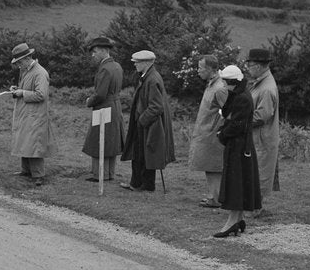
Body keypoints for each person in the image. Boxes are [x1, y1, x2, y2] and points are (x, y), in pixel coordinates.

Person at [213, 65, 262, 238]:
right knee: (238, 181)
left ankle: (232, 222)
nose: (224, 86)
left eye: (226, 82)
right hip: (239, 144)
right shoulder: (238, 95)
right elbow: (227, 113)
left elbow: (237, 125)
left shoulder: (243, 98)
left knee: (235, 183)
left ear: (233, 82)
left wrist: (222, 134)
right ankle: (238, 219)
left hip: (239, 146)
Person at [120, 50, 175, 192]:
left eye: (137, 62)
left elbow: (156, 107)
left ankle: (145, 185)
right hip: (146, 122)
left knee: (145, 154)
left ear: (147, 63)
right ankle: (137, 183)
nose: (135, 65)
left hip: (149, 124)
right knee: (139, 153)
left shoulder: (152, 79)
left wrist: (142, 120)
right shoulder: (147, 77)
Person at [6, 42, 54, 186]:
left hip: (35, 115)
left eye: (19, 62)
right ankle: (26, 170)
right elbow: (26, 88)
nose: (18, 65)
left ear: (27, 58)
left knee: (34, 144)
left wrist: (22, 93)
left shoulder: (40, 73)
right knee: (25, 142)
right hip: (26, 113)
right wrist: (17, 89)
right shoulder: (26, 70)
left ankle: (38, 175)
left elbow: (41, 95)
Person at [81, 36, 125, 182]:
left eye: (94, 52)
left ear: (103, 51)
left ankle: (99, 175)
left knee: (100, 140)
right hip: (115, 106)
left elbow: (100, 94)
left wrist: (89, 101)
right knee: (111, 141)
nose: (93, 55)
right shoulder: (117, 66)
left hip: (104, 107)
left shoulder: (105, 68)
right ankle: (109, 173)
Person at [188, 55, 229, 207]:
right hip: (206, 133)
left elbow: (228, 112)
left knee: (214, 166)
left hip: (213, 135)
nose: (198, 71)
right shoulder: (212, 84)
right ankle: (214, 195)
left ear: (211, 70)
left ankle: (217, 199)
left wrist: (219, 130)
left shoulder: (219, 88)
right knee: (209, 166)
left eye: (201, 68)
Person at [245, 48, 280, 201]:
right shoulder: (262, 83)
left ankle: (256, 207)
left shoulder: (266, 88)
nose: (247, 69)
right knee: (256, 170)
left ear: (258, 66)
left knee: (260, 171)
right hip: (259, 137)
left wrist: (238, 119)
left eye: (249, 65)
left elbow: (261, 116)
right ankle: (254, 204)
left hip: (261, 138)